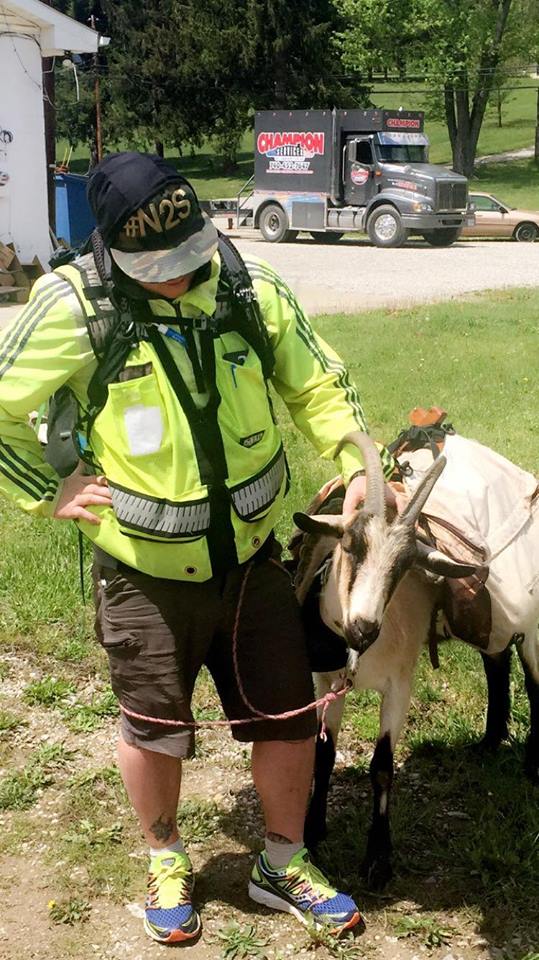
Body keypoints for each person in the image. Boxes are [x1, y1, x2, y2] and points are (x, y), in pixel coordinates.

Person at [0, 152, 395, 945]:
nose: (180, 278)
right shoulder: (74, 307)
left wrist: (357, 459)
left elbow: (316, 383)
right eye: (158, 267)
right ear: (108, 248)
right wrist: (51, 489)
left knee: (286, 716)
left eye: (188, 256)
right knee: (153, 725)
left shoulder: (253, 286)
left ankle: (281, 862)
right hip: (144, 575)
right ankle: (165, 857)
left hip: (251, 562)